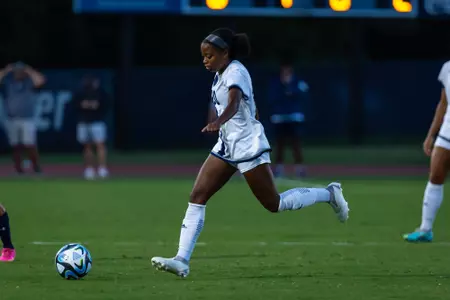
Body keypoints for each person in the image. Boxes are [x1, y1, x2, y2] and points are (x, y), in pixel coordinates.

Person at [151, 28, 350, 278]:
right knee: (197, 195)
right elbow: (242, 105)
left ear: (225, 53)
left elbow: (234, 102)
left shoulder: (235, 70)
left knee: (274, 204)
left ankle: (329, 193)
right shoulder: (220, 72)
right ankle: (181, 260)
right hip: (227, 145)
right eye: (203, 55)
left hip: (246, 146)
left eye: (209, 55)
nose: (205, 60)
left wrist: (218, 121)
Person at [403, 61, 450, 243]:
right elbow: (444, 102)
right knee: (435, 176)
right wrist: (431, 134)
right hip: (447, 131)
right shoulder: (447, 68)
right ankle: (425, 229)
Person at [0, 62, 46, 174]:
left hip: (27, 118)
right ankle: (18, 169)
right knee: (15, 146)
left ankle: (36, 167)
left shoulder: (29, 82)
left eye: (20, 71)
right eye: (17, 71)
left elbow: (40, 80)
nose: (19, 73)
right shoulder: (8, 83)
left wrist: (29, 70)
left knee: (30, 144)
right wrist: (6, 70)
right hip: (12, 118)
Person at [268, 62, 309, 178]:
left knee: (296, 144)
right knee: (280, 144)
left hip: (294, 118)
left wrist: (290, 90)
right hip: (279, 118)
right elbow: (272, 97)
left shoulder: (298, 82)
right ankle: (279, 169)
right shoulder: (276, 83)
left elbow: (303, 95)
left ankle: (299, 169)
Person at [73, 75, 110, 180]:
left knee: (100, 145)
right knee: (87, 146)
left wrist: (95, 108)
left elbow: (106, 105)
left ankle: (102, 169)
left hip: (97, 122)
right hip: (84, 122)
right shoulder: (80, 93)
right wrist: (84, 106)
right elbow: (75, 105)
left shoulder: (101, 93)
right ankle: (89, 169)